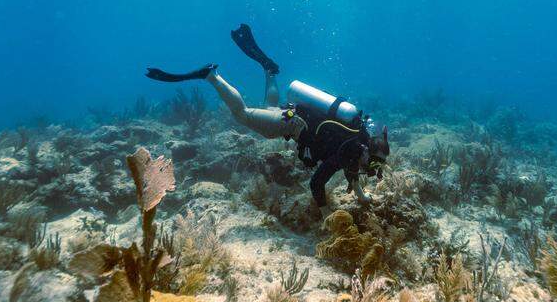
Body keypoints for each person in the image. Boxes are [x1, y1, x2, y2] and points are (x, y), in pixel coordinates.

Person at [145, 24, 389, 208]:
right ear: (367, 150)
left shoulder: (356, 142)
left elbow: (352, 172)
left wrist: (362, 196)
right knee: (243, 115)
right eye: (376, 163)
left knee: (267, 106)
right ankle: (211, 76)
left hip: (294, 113)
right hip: (291, 123)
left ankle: (269, 70)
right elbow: (317, 183)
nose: (373, 169)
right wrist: (324, 213)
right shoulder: (350, 150)